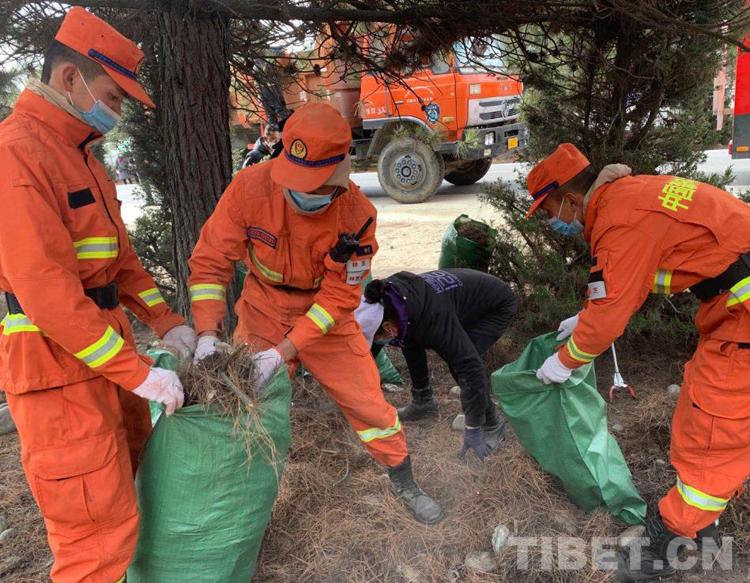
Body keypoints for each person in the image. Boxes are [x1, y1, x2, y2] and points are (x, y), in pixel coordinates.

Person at [0, 8, 196, 582]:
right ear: (69, 79)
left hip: (102, 357)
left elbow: (120, 263)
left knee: (128, 491)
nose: (117, 110)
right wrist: (136, 372)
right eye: (113, 95)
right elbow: (48, 292)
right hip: (55, 370)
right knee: (94, 538)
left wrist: (166, 322)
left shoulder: (80, 153)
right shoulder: (17, 153)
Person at [188, 102, 444, 525]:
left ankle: (403, 477)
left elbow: (338, 300)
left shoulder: (358, 216)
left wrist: (284, 351)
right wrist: (205, 334)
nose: (302, 193)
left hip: (325, 319)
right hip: (263, 308)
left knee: (369, 404)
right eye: (297, 180)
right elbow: (210, 262)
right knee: (244, 402)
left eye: (314, 185)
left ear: (339, 174)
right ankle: (237, 492)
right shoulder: (249, 189)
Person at [525, 143, 750, 581]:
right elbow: (627, 285)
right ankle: (701, 520)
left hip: (742, 324)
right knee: (708, 420)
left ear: (571, 199)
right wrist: (586, 317)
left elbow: (610, 314)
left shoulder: (619, 218)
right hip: (735, 316)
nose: (553, 221)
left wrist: (564, 362)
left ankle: (668, 542)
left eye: (549, 209)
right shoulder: (630, 197)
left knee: (711, 430)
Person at [355, 269, 517, 460]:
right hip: (453, 303)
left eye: (379, 337)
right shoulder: (387, 303)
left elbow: (470, 366)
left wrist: (472, 427)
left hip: (494, 305)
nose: (381, 342)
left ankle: (492, 425)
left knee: (461, 362)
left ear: (387, 327)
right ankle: (423, 402)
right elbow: (366, 353)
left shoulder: (431, 317)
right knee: (408, 338)